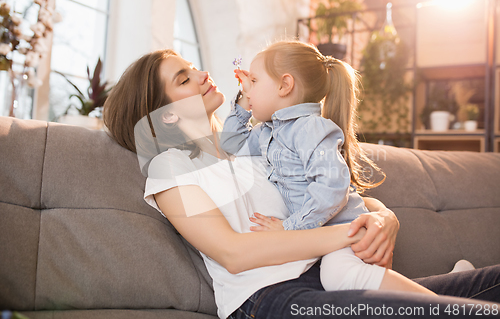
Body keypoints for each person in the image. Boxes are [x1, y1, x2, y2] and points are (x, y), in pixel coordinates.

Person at [102, 49, 500, 318]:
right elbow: (234, 253)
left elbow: (334, 198)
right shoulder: (170, 169)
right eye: (185, 79)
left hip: (335, 274)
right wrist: (347, 236)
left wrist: (383, 219)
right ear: (168, 116)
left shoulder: (261, 143)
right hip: (273, 298)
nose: (204, 74)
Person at [220, 40, 433, 295]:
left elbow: (331, 188)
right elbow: (232, 145)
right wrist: (244, 99)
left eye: (253, 82)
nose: (247, 89)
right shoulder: (265, 133)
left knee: (336, 276)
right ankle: (452, 283)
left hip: (346, 230)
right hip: (320, 238)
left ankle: (440, 306)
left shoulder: (311, 128)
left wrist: (289, 229)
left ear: (285, 85)